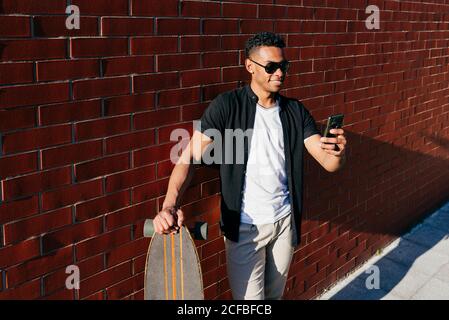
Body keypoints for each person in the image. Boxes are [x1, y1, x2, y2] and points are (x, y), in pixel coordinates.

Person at [153, 32, 347, 300]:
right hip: (244, 229)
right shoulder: (227, 106)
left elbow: (329, 163)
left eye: (283, 66)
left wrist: (337, 151)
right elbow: (188, 159)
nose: (279, 73)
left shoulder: (295, 111)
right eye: (271, 67)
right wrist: (169, 204)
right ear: (250, 67)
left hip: (283, 224)